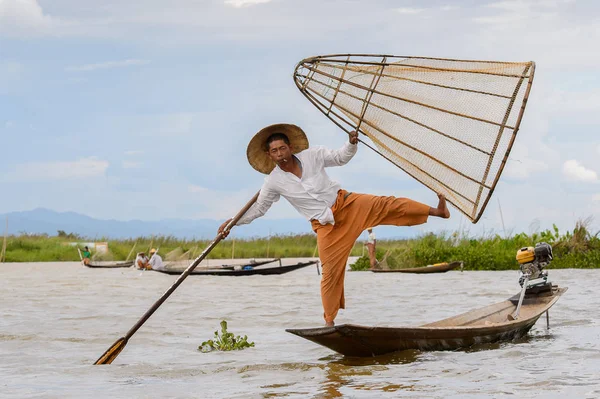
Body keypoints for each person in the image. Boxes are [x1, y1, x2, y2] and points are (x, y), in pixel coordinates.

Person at [218, 123, 450, 327]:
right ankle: (329, 322)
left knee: (387, 204)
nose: (280, 154)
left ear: (290, 147)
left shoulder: (313, 155)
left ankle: (438, 211)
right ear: (270, 156)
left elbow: (340, 157)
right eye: (275, 151)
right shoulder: (273, 182)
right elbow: (259, 208)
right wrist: (233, 222)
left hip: (347, 204)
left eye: (283, 148)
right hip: (326, 226)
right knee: (330, 273)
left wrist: (350, 143)